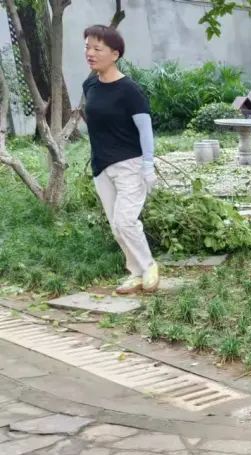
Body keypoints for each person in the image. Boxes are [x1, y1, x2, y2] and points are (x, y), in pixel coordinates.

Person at [82, 24, 160, 295]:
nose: (90, 53)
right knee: (117, 227)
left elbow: (145, 129)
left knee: (126, 221)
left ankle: (149, 266)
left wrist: (148, 165)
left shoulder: (130, 91)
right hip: (101, 166)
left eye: (97, 48)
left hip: (130, 164)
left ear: (114, 54)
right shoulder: (90, 84)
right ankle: (136, 272)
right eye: (87, 47)